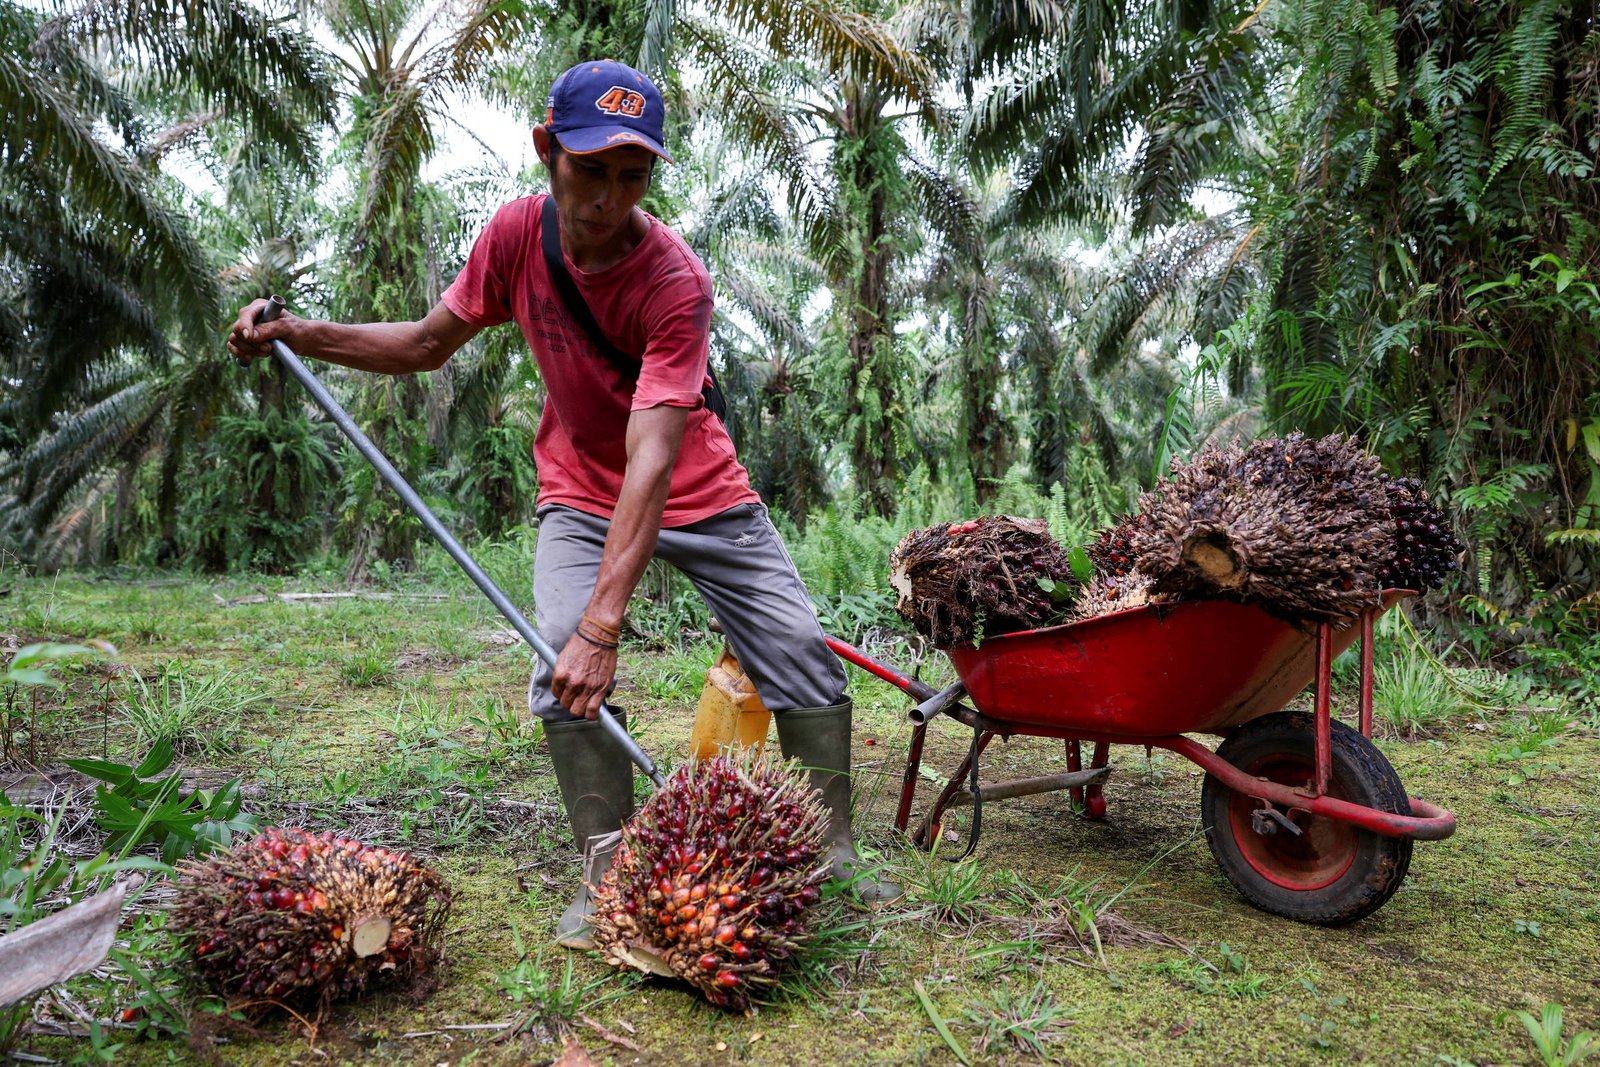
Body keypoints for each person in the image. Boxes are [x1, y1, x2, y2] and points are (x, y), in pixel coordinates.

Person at [227, 59, 901, 949]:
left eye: (632, 176)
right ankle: (608, 876)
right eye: (590, 170)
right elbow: (426, 344)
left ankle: (833, 853)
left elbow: (653, 456)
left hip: (696, 487)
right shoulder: (516, 237)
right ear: (548, 149)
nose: (607, 198)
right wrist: (298, 332)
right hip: (581, 488)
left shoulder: (675, 280)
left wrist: (605, 625)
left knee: (802, 656)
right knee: (562, 669)